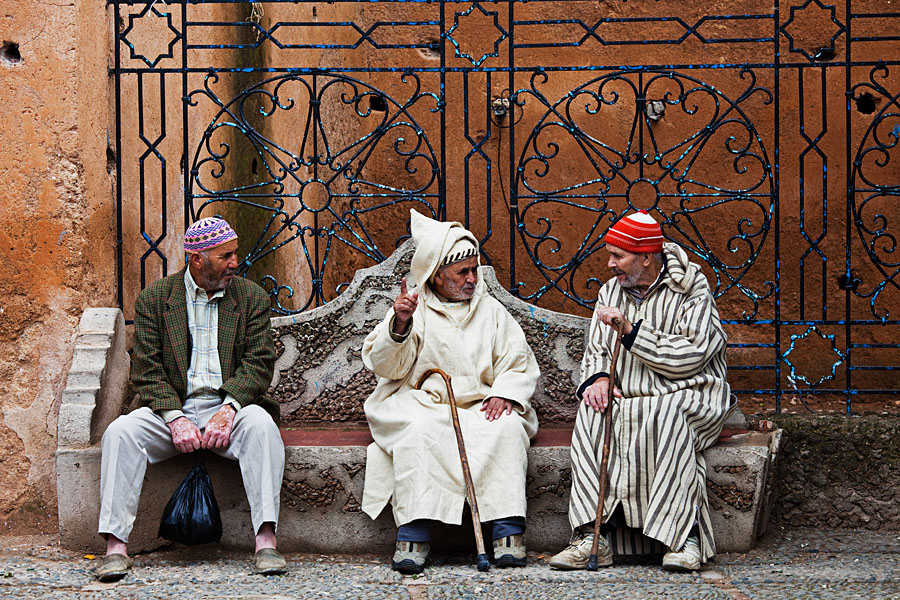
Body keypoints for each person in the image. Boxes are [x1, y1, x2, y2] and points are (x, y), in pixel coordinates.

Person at [96, 217, 286, 581]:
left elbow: (259, 363)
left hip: (231, 405)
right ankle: (116, 547)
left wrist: (229, 408)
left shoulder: (251, 298)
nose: (235, 263)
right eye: (225, 256)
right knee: (120, 433)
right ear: (197, 259)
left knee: (262, 427)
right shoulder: (157, 298)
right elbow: (146, 369)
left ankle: (266, 541)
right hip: (171, 407)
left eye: (235, 254)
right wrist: (175, 417)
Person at [549, 210, 733, 572]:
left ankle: (684, 538)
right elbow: (597, 349)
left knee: (665, 415)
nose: (610, 263)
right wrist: (600, 379)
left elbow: (692, 355)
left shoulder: (692, 288)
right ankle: (592, 535)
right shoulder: (610, 290)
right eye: (610, 254)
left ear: (646, 257)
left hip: (691, 392)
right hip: (631, 394)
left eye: (618, 256)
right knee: (593, 411)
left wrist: (632, 332)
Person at [361, 209, 540, 574]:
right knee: (420, 433)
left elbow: (518, 362)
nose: (472, 278)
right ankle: (413, 535)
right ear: (437, 275)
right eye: (463, 272)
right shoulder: (414, 309)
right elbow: (386, 366)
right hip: (423, 404)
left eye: (474, 270)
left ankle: (507, 533)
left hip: (481, 405)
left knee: (505, 429)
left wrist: (504, 393)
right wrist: (400, 324)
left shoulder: (491, 312)